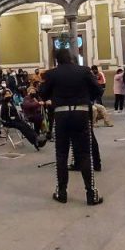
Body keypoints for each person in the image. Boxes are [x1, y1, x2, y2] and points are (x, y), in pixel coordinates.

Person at [40, 49, 103, 206]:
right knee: (84, 154)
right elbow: (98, 90)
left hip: (61, 115)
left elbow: (43, 94)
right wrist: (85, 97)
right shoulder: (84, 71)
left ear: (57, 60)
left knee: (61, 154)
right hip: (81, 114)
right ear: (72, 59)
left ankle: (61, 193)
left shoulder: (52, 74)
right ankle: (91, 194)